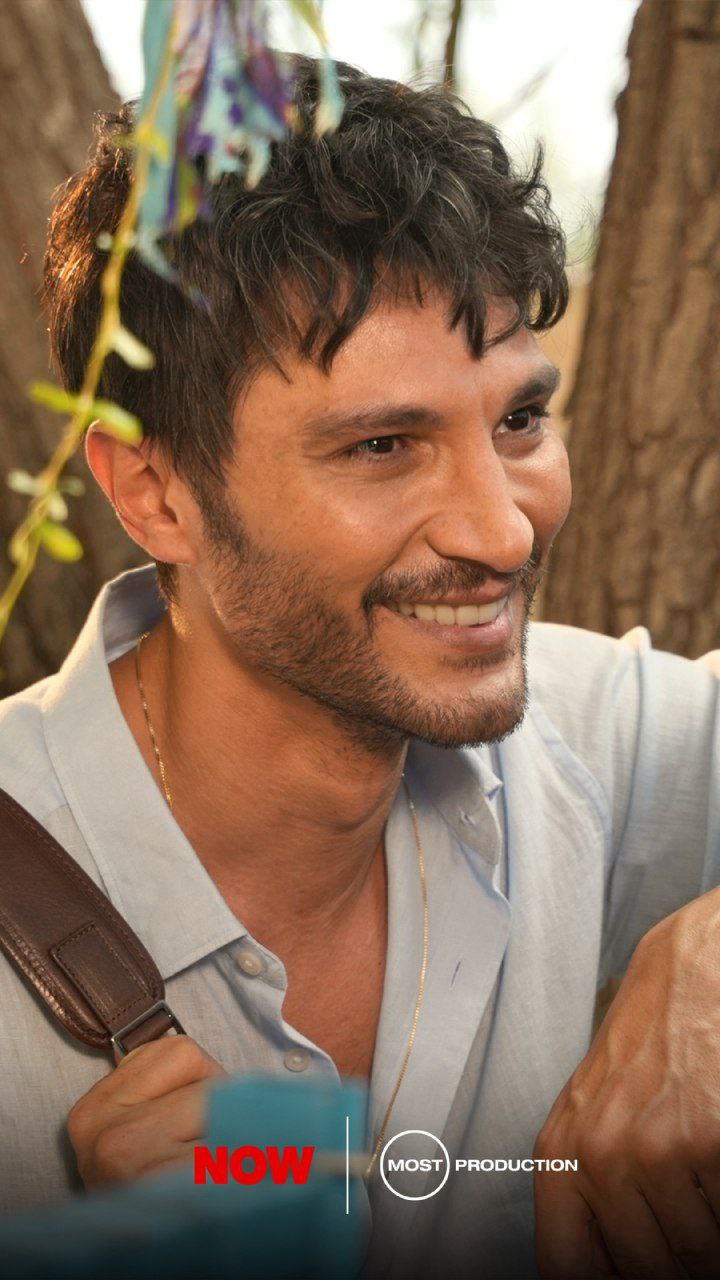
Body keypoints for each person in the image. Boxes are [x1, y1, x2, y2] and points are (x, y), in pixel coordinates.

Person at [1, 56, 720, 1280]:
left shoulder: (590, 731)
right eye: (383, 445)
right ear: (155, 491)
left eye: (518, 421)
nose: (503, 531)